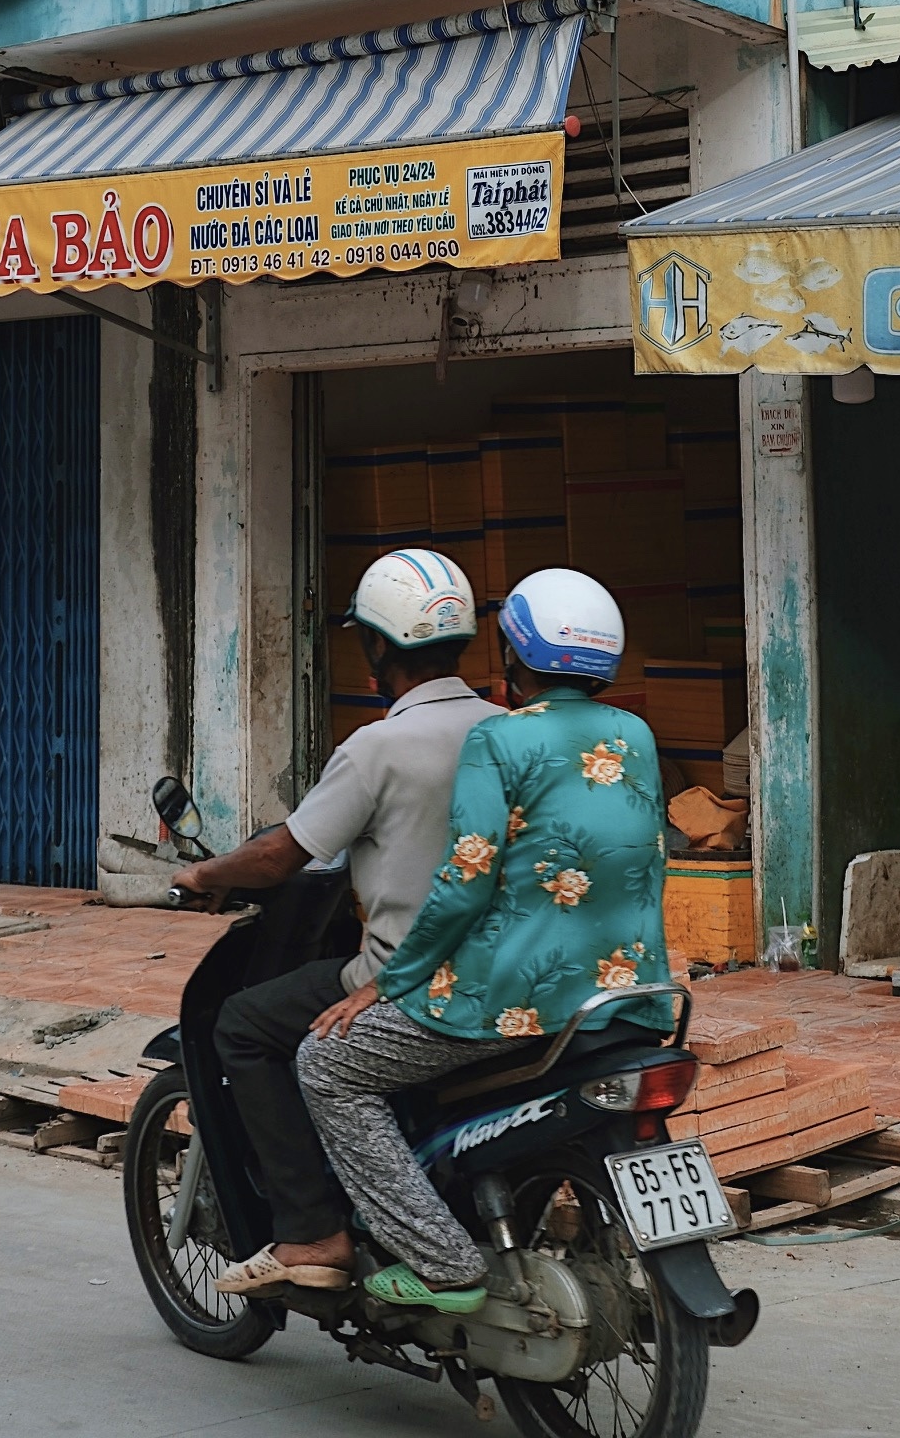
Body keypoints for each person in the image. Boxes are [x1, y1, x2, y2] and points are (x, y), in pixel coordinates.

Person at [296, 567, 671, 1313]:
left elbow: (463, 885)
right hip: (625, 994)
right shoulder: (636, 733)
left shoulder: (500, 739)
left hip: (514, 999)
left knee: (326, 1065)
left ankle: (443, 1262)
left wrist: (388, 982)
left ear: (513, 655)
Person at [166, 549, 501, 1301]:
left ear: (377, 647)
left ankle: (311, 1231)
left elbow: (282, 855)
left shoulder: (376, 748)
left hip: (403, 980)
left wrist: (206, 873)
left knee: (246, 1026)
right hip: (505, 975)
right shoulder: (508, 730)